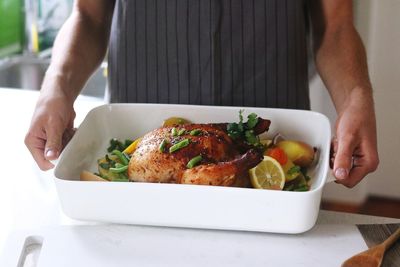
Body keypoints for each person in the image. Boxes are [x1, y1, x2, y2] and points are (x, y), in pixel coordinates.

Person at [25, 0, 379, 188]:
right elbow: (89, 16)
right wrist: (54, 90)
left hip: (269, 153)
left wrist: (355, 98)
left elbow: (335, 25)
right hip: (141, 153)